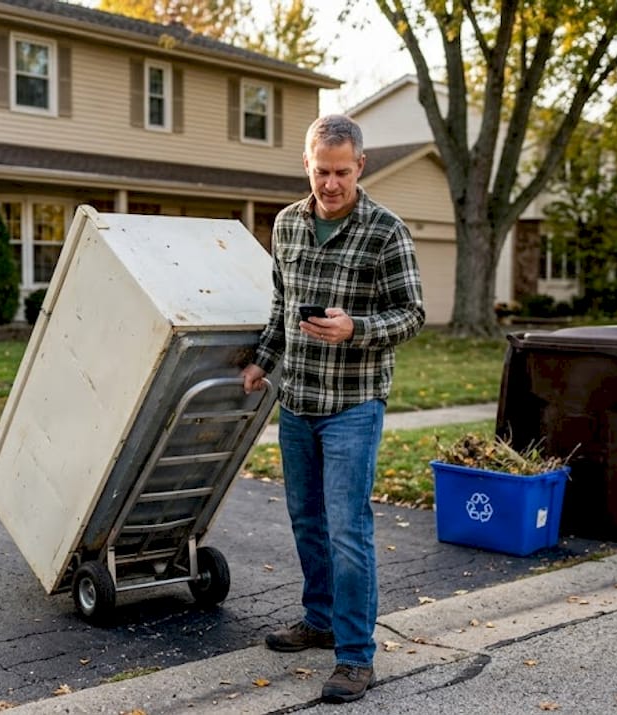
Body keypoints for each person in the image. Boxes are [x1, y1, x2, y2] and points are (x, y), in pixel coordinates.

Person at [241, 114, 425, 703]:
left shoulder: (385, 231)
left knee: (349, 531)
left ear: (360, 166)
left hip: (352, 404)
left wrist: (356, 328)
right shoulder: (287, 225)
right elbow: (280, 306)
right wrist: (261, 362)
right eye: (321, 171)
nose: (331, 184)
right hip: (295, 400)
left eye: (342, 172)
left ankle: (354, 656)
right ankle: (318, 620)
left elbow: (412, 314)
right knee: (306, 520)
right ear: (307, 165)